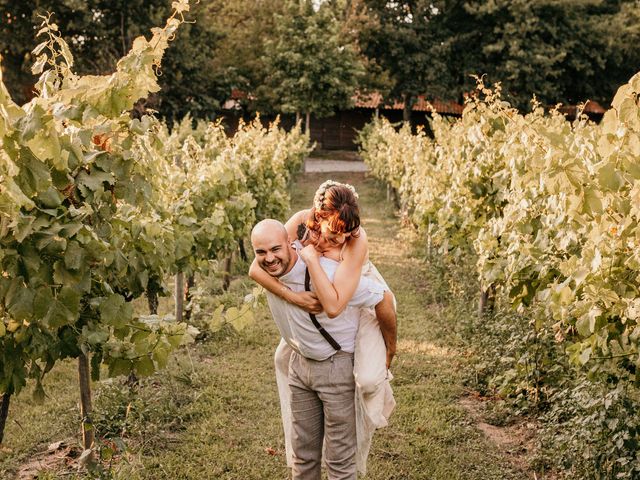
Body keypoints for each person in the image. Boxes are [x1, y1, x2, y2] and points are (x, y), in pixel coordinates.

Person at [249, 180, 397, 475]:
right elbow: (258, 266)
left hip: (351, 296)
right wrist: (295, 298)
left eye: (345, 236)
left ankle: (379, 394)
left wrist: (391, 347)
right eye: (331, 236)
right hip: (307, 347)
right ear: (315, 223)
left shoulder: (353, 244)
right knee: (285, 357)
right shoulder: (300, 223)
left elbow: (335, 304)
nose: (339, 243)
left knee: (369, 378)